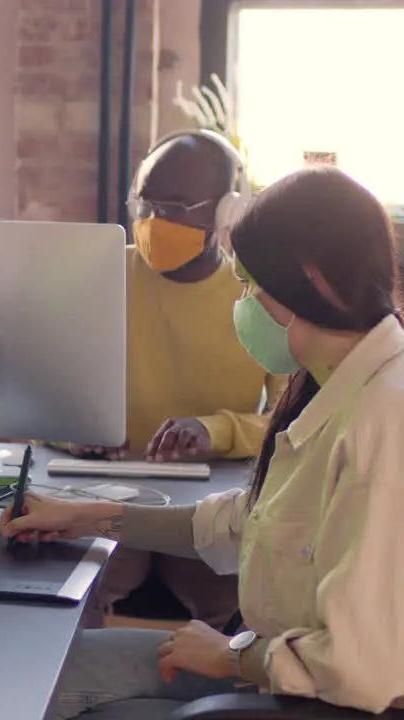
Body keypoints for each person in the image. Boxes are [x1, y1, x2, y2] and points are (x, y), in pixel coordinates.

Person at [4, 166, 404, 717]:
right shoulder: (336, 388)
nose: (241, 303)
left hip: (304, 696)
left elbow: (364, 665)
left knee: (27, 693)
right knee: (32, 666)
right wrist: (84, 515)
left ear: (308, 278)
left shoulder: (386, 420)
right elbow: (237, 524)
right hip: (271, 674)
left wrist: (233, 659)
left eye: (248, 285)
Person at [71, 130, 288, 630]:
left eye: (171, 206)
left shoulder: (259, 300)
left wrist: (217, 430)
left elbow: (288, 421)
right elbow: (47, 384)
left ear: (224, 214)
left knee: (236, 595)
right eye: (142, 203)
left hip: (208, 493)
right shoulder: (98, 276)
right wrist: (72, 429)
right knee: (68, 585)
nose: (150, 221)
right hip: (110, 484)